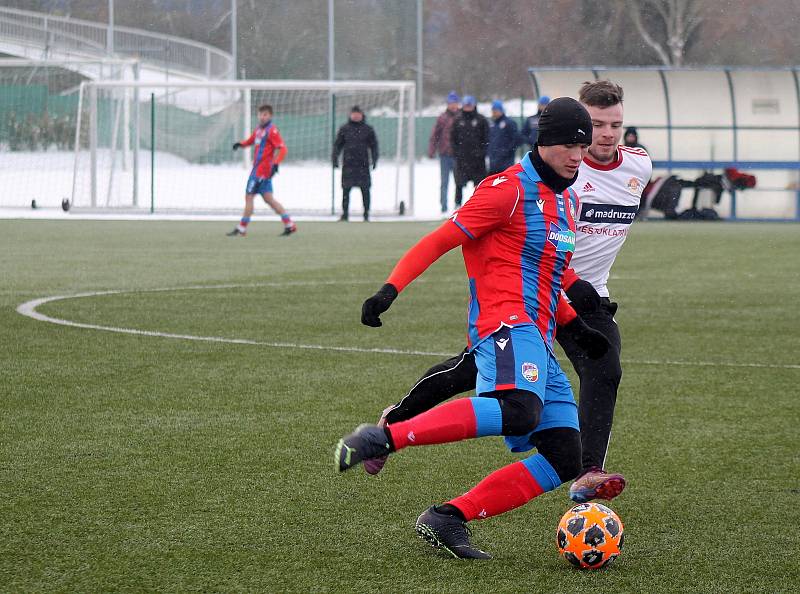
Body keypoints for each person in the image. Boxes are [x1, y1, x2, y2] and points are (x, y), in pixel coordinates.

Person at [335, 98, 607, 559]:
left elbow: (546, 272)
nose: (577, 156)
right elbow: (440, 239)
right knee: (518, 410)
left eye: (582, 147)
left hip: (538, 333)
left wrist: (575, 325)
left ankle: (446, 517)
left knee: (565, 455)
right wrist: (389, 290)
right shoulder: (505, 189)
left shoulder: (569, 198)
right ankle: (383, 437)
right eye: (567, 145)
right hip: (504, 321)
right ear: (542, 142)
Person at [361, 80, 653, 508]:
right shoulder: (535, 180)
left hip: (575, 299)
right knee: (470, 376)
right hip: (522, 302)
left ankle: (587, 470)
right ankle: (392, 427)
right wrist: (390, 289)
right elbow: (450, 238)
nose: (603, 136)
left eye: (614, 125)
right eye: (595, 125)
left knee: (603, 367)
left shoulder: (629, 170)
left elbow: (557, 255)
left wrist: (579, 297)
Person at [227, 104, 296, 237]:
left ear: (270, 116)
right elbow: (251, 141)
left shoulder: (272, 131)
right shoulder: (259, 130)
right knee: (269, 199)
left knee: (249, 197)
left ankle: (242, 228)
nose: (262, 117)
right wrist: (240, 144)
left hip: (261, 172)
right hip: (259, 170)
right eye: (260, 114)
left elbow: (282, 148)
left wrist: (275, 164)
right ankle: (289, 224)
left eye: (265, 114)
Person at [332, 105, 379, 222]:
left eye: (358, 113)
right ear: (350, 115)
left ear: (362, 115)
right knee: (346, 190)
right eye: (354, 113)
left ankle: (366, 214)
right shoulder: (344, 129)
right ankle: (345, 214)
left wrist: (374, 159)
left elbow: (374, 146)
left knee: (365, 190)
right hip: (348, 165)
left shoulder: (368, 129)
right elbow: (337, 145)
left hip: (363, 165)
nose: (356, 116)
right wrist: (334, 158)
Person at [450, 95, 489, 208]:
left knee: (479, 185)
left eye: (470, 105)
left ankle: (480, 205)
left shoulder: (481, 120)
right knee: (459, 184)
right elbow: (453, 139)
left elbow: (486, 138)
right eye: (466, 106)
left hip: (478, 160)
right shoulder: (458, 120)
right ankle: (457, 205)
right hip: (462, 160)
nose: (467, 108)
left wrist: (481, 152)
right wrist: (457, 153)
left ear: (474, 105)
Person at [428, 91, 460, 213]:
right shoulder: (442, 118)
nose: (453, 105)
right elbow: (435, 135)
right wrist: (432, 150)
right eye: (451, 103)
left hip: (457, 155)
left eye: (455, 103)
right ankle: (443, 206)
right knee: (444, 182)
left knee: (459, 182)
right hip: (445, 154)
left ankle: (458, 204)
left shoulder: (461, 117)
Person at [487, 100, 520, 174]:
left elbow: (516, 139)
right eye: (493, 110)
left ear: (501, 110)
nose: (494, 112)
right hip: (493, 162)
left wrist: (506, 151)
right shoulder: (491, 124)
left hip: (506, 163)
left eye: (496, 110)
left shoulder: (509, 123)